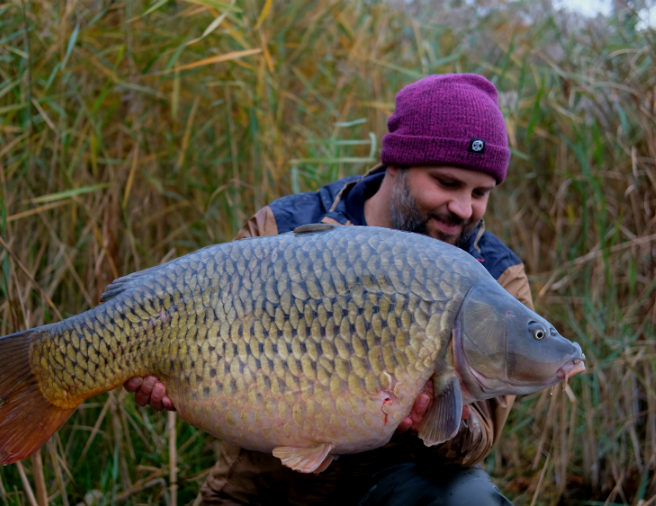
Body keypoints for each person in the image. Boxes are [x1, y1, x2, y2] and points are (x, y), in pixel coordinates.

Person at [124, 74, 532, 505]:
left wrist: (442, 418)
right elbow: (206, 340)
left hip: (398, 486)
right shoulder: (280, 230)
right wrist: (174, 379)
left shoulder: (496, 279)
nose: (463, 208)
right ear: (397, 164)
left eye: (480, 192)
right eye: (446, 183)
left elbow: (478, 440)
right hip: (266, 485)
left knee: (471, 499)